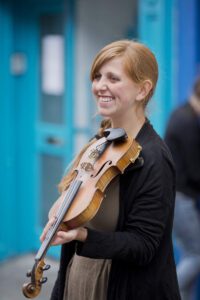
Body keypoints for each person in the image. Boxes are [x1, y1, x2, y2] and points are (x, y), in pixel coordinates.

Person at [40, 40, 181, 300]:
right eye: (97, 76)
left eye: (113, 78)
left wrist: (81, 235)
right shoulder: (101, 142)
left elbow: (144, 246)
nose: (100, 86)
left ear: (142, 90)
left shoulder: (154, 157)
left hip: (118, 287)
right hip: (79, 276)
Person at [165, 78, 200, 300]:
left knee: (191, 252)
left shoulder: (183, 112)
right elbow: (196, 172)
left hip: (177, 196)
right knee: (197, 253)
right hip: (180, 198)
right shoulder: (187, 122)